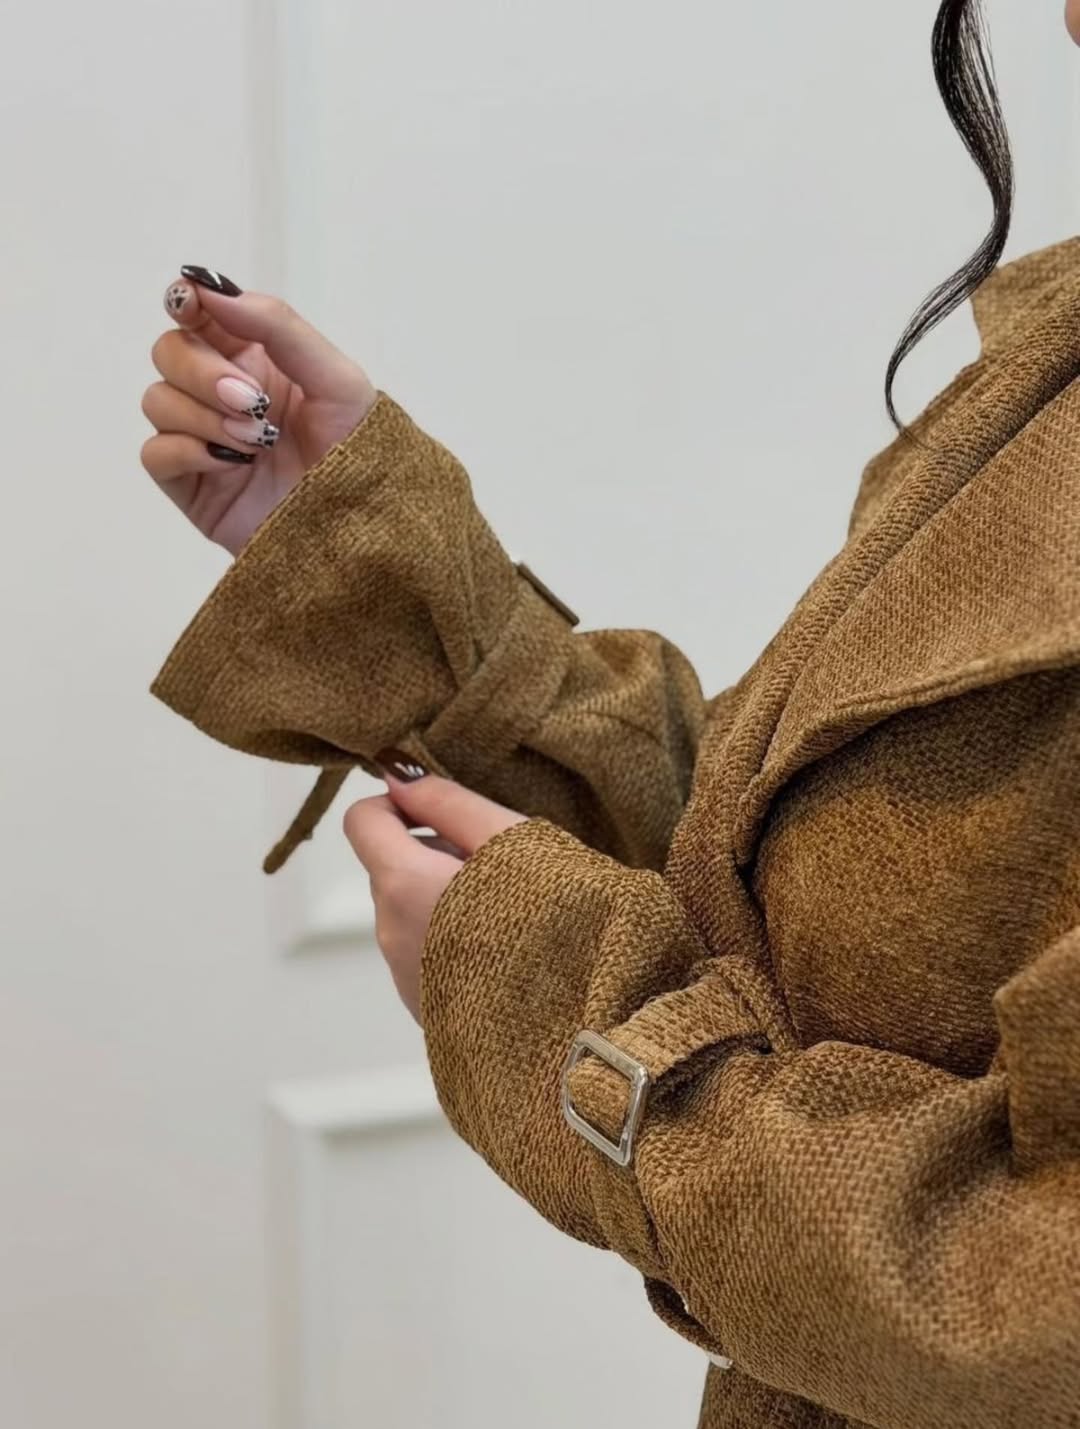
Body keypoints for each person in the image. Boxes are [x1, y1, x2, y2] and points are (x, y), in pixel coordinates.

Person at [139, 4, 1080, 1425]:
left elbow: (1033, 1297)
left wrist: (552, 990)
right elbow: (797, 881)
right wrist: (376, 566)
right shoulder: (1047, 376)